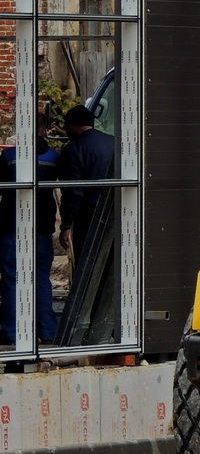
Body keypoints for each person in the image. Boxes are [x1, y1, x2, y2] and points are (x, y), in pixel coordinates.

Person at [0, 114, 60, 344]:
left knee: (12, 279)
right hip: (42, 227)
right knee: (41, 278)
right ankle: (47, 331)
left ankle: (11, 333)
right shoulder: (53, 157)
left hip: (11, 225)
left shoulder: (8, 156)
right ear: (45, 130)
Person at [58, 104, 115, 262]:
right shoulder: (115, 143)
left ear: (71, 125)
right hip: (116, 214)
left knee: (87, 262)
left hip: (88, 218)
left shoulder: (74, 149)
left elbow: (72, 191)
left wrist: (66, 225)